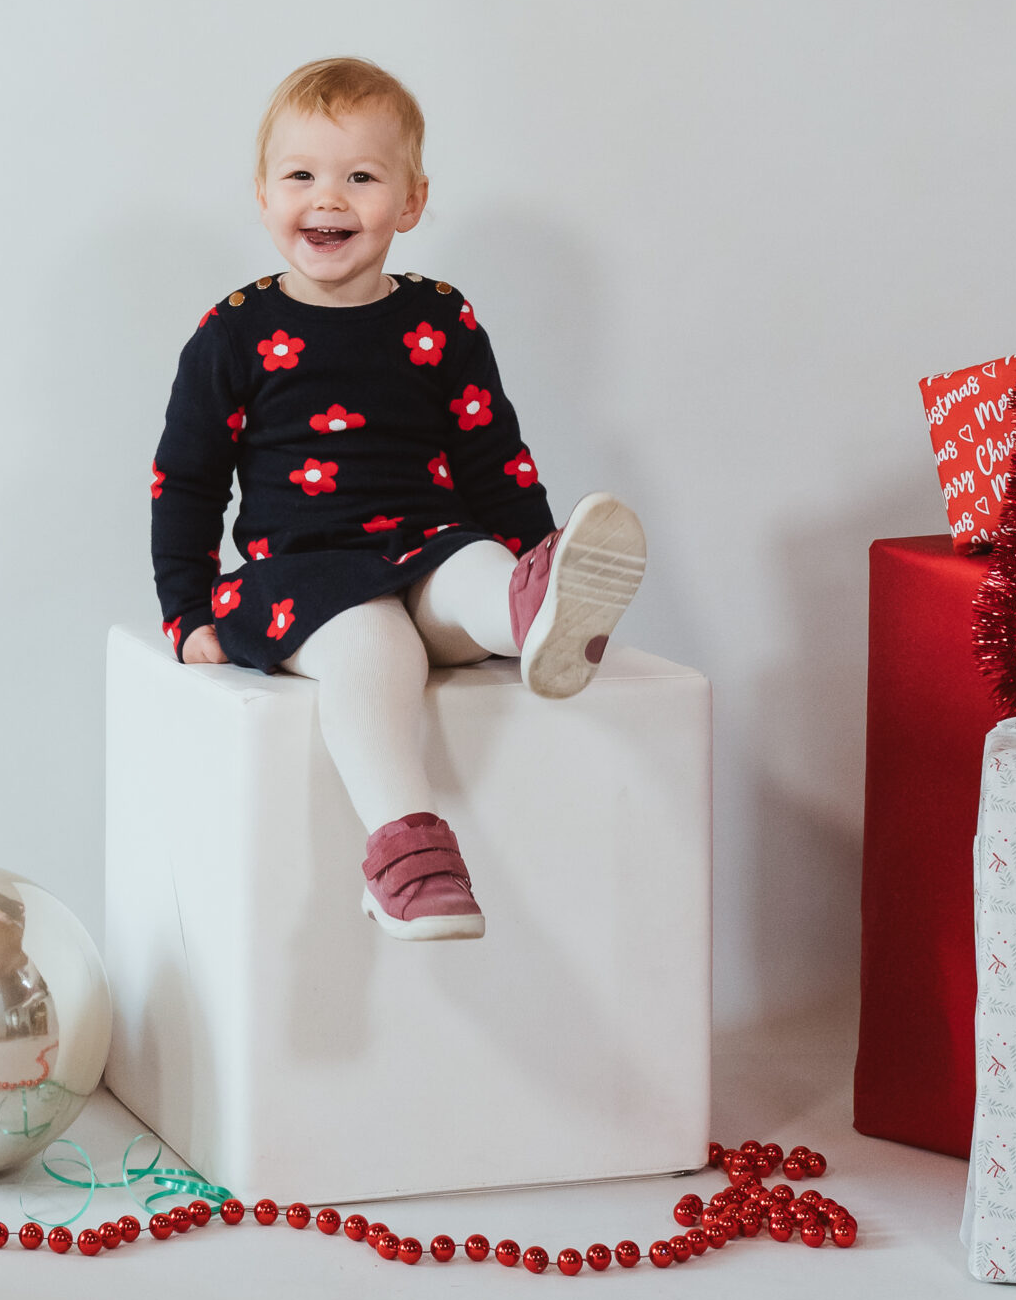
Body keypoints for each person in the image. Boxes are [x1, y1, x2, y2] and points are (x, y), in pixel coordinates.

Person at [150, 57, 646, 943]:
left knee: (476, 568)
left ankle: (534, 605)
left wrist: (533, 548)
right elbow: (185, 480)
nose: (327, 198)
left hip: (426, 549)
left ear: (410, 202)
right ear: (263, 196)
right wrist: (186, 609)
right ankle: (404, 854)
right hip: (303, 576)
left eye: (361, 177)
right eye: (300, 175)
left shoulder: (442, 318)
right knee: (369, 641)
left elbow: (494, 455)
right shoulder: (235, 333)